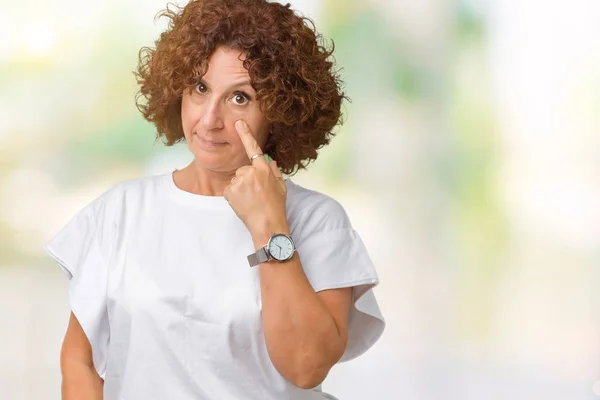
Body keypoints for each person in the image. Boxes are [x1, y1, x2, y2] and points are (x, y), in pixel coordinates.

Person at [44, 0, 385, 399]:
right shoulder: (120, 211)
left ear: (280, 110)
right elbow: (79, 361)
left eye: (239, 97)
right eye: (200, 89)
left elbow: (306, 365)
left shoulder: (317, 220)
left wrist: (269, 225)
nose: (209, 119)